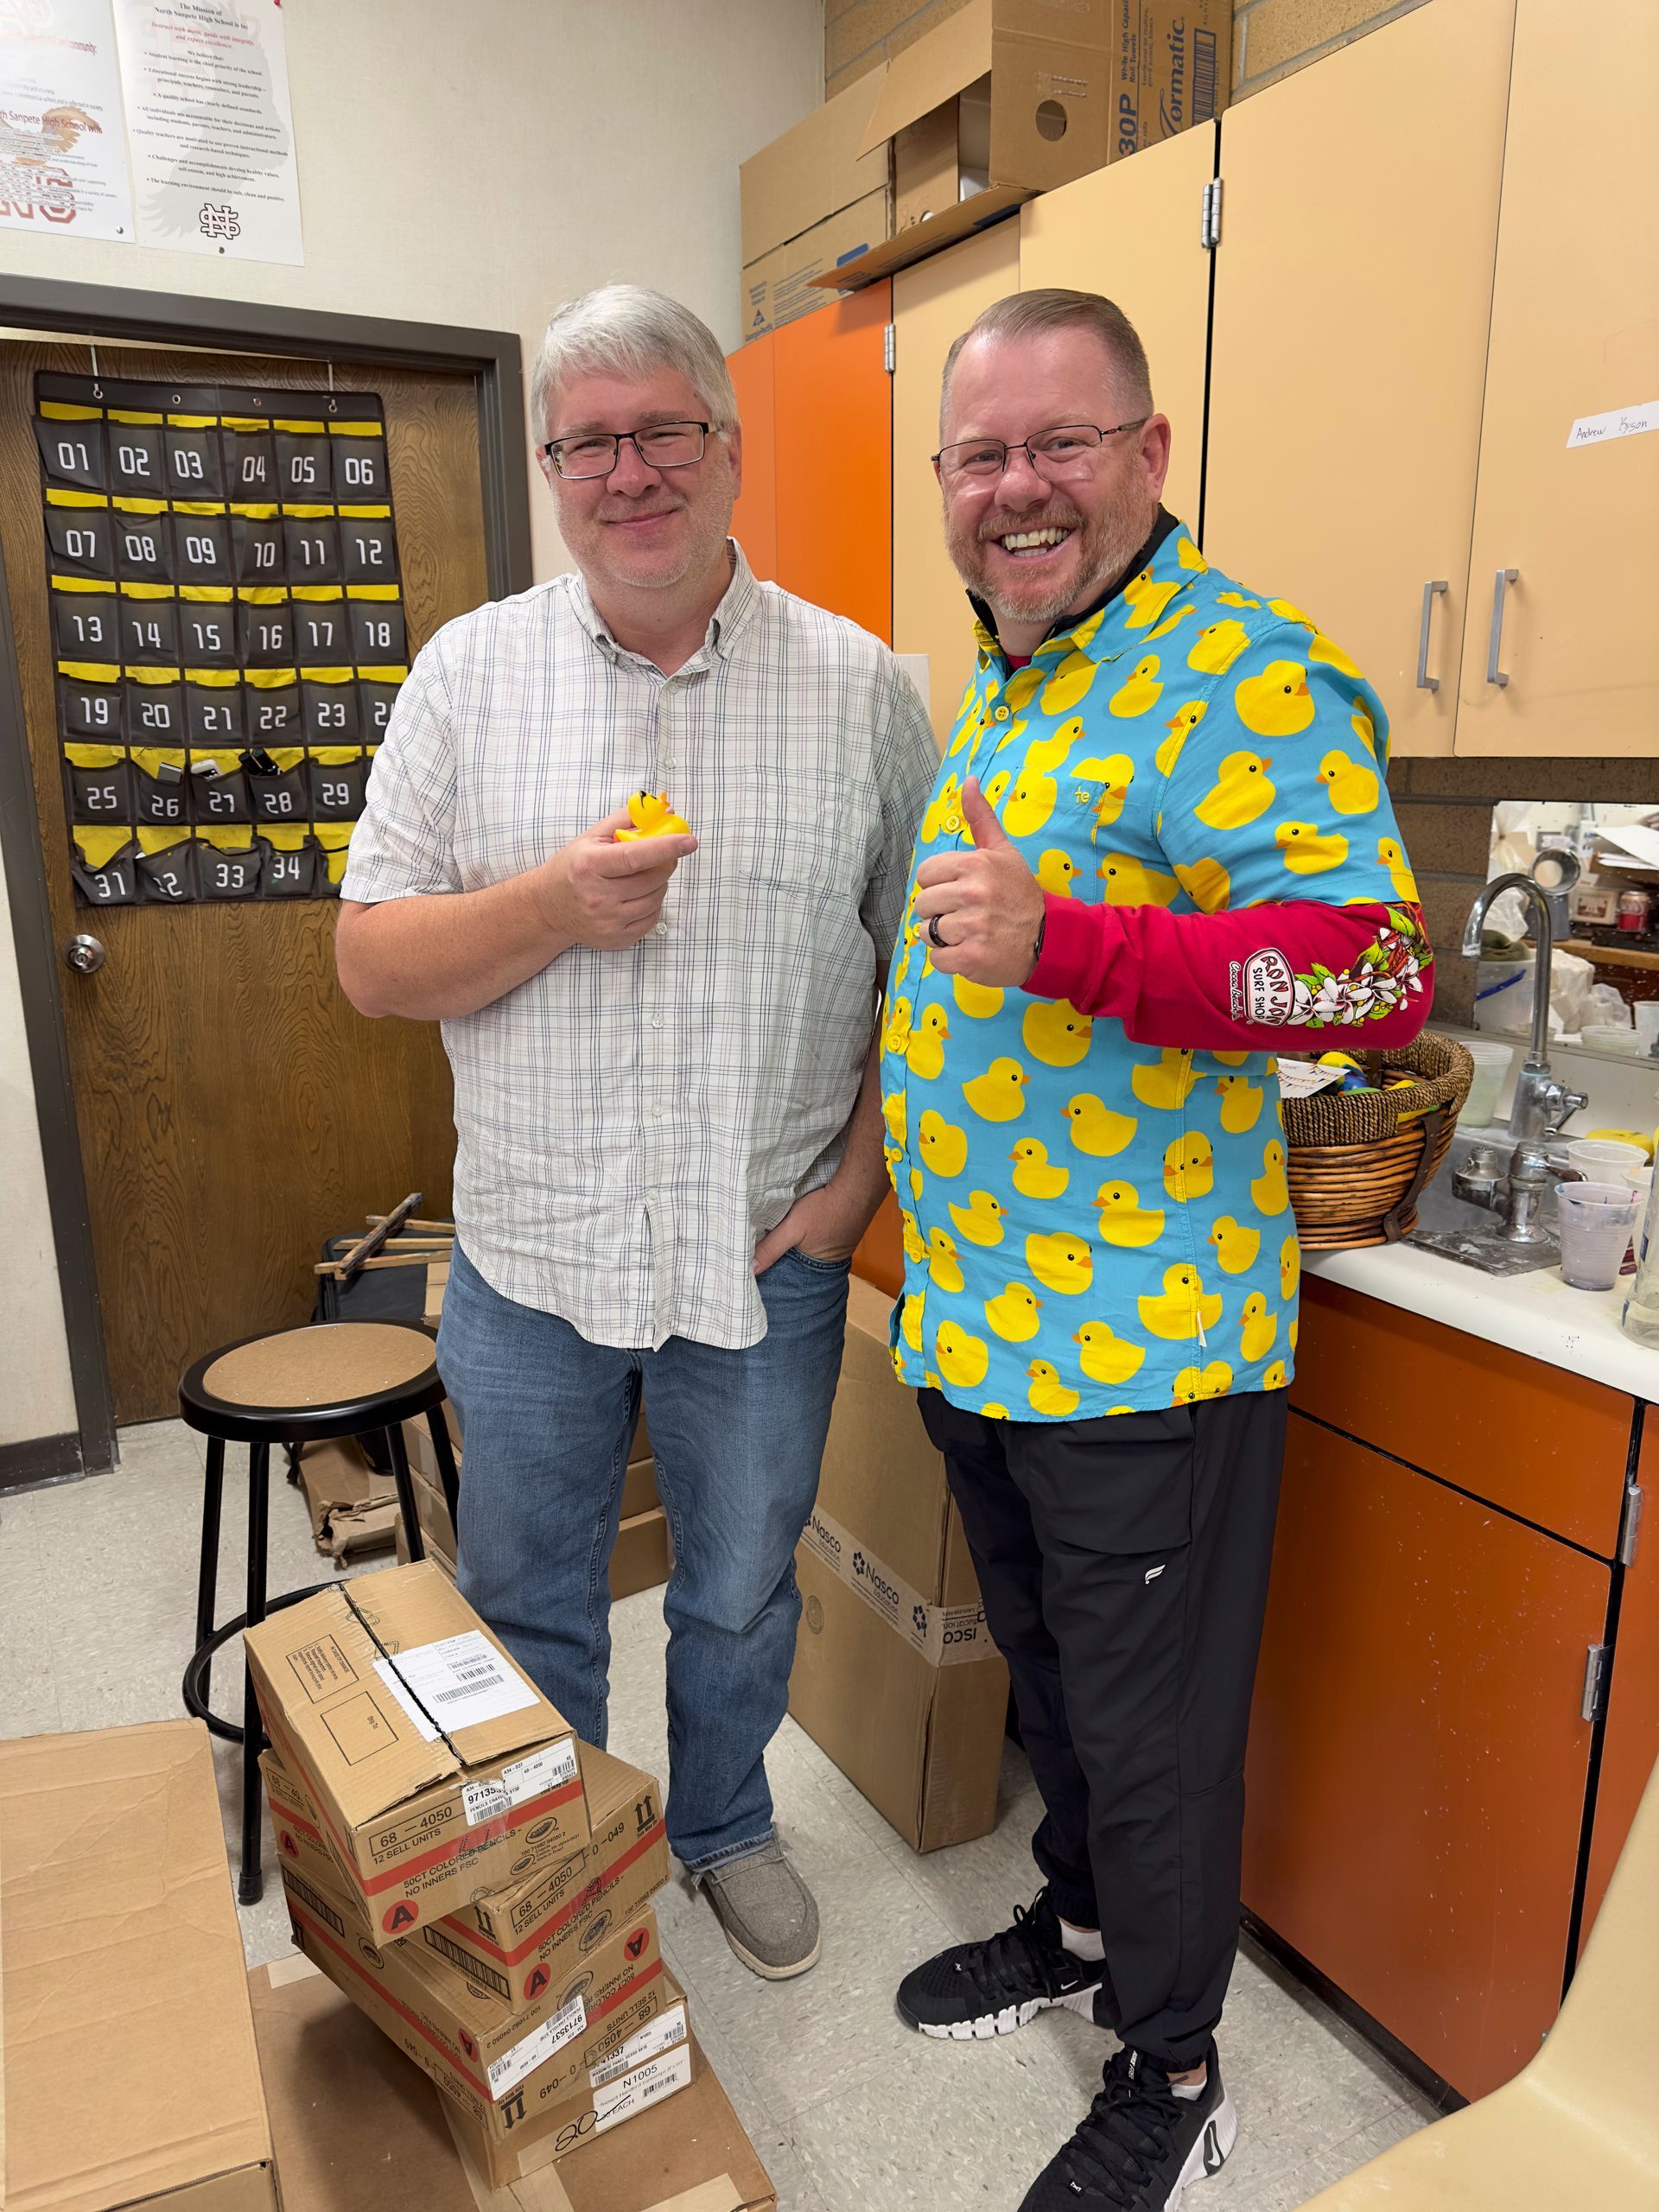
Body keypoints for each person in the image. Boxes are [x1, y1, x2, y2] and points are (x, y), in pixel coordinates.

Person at [883, 289, 1432, 2209]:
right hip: (986, 1328)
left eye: (1059, 444)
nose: (1016, 488)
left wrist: (1078, 945)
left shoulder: (1245, 673)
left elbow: (1369, 970)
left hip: (1139, 1343)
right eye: (979, 455)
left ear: (1150, 455)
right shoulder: (1024, 672)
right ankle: (1087, 1925)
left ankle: (1177, 2070)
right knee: (1058, 1692)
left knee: (1148, 1724)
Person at [335, 284, 938, 1982]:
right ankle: (558, 1864)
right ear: (551, 471)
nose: (629, 470)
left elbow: (930, 974)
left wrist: (855, 1187)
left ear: (726, 448)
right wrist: (546, 904)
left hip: (762, 1257)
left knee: (741, 1588)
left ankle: (724, 1824)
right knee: (529, 1594)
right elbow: (369, 958)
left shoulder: (864, 689)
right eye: (588, 441)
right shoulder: (468, 674)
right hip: (530, 1259)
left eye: (662, 428)